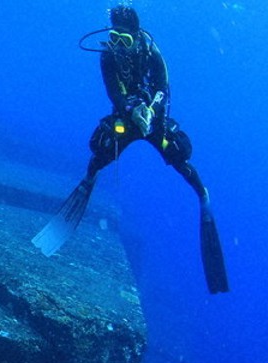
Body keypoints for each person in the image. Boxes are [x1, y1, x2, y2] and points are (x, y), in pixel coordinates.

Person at [32, 5, 229, 294]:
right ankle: (87, 184)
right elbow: (113, 91)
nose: (118, 45)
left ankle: (204, 198)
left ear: (137, 37)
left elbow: (164, 89)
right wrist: (131, 109)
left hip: (154, 122)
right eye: (114, 37)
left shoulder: (153, 54)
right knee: (98, 153)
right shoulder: (107, 57)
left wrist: (150, 113)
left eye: (124, 40)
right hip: (127, 119)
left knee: (181, 156)